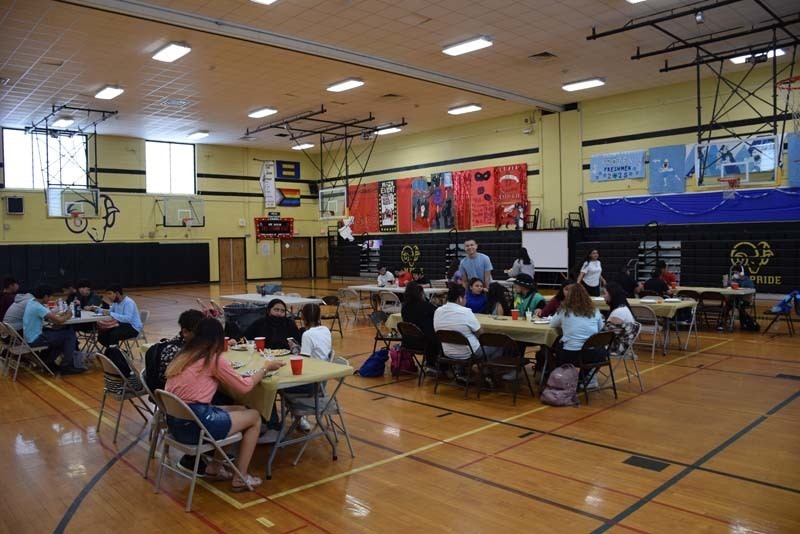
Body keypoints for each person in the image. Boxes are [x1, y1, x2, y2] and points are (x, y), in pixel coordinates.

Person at [165, 318, 284, 492]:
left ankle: (214, 467)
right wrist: (265, 368)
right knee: (255, 417)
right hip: (195, 427)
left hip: (176, 423)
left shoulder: (184, 355)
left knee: (240, 409)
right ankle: (241, 476)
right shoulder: (213, 359)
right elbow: (245, 387)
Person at [23, 284, 84, 374]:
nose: (50, 298)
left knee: (61, 336)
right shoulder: (38, 307)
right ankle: (66, 366)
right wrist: (68, 315)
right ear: (45, 296)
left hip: (28, 337)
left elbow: (48, 316)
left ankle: (49, 361)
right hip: (35, 340)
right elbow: (59, 321)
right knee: (69, 334)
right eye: (50, 296)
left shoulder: (31, 302)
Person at [549, 284, 605, 368]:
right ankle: (586, 377)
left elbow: (552, 324)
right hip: (595, 354)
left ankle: (556, 375)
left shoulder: (564, 311)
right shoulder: (595, 310)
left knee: (551, 347)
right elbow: (601, 328)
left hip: (572, 354)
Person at [401, 281, 440, 368]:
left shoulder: (404, 307)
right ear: (420, 293)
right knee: (441, 337)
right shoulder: (426, 306)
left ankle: (431, 363)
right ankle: (438, 365)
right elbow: (438, 314)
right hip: (424, 343)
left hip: (407, 341)